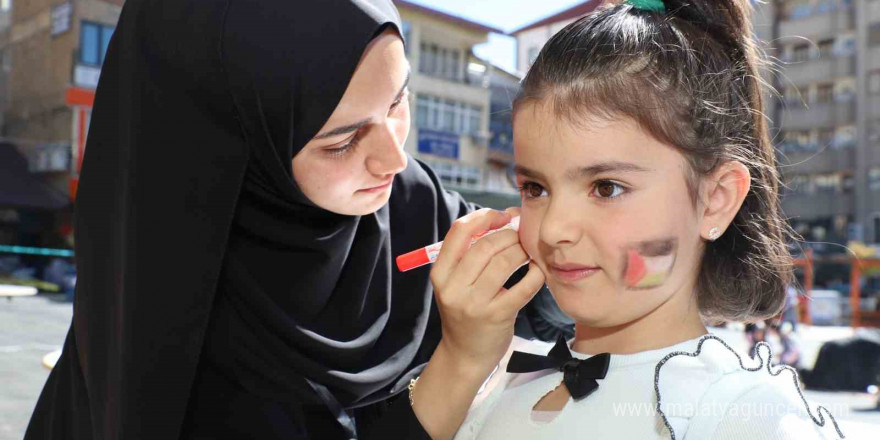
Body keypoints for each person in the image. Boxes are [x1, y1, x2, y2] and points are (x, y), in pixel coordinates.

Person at [24, 1, 550, 438]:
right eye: (342, 140)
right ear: (241, 151)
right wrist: (460, 359)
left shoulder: (409, 198)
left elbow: (560, 294)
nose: (393, 159)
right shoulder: (172, 334)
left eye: (397, 101)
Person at [394, 0, 849, 438]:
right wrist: (460, 358)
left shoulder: (743, 414)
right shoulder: (501, 385)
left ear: (715, 200)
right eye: (535, 189)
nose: (553, 229)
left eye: (606, 188)